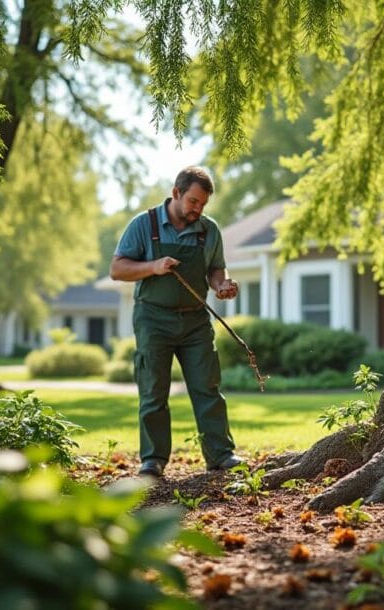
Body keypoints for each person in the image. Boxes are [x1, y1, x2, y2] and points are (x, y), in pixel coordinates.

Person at [110, 166, 245, 478]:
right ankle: (153, 460)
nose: (198, 209)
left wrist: (222, 285)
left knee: (207, 387)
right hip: (152, 318)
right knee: (154, 390)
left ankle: (221, 455)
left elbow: (215, 270)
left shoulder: (209, 230)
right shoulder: (144, 225)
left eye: (203, 204)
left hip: (195, 320)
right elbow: (117, 269)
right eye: (193, 201)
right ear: (176, 193)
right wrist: (153, 266)